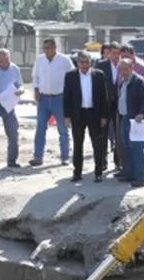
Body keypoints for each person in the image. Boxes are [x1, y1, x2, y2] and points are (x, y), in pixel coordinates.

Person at [63, 52, 109, 182]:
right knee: (78, 144)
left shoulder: (98, 75)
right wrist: (66, 116)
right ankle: (77, 173)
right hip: (78, 114)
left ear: (91, 62)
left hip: (94, 113)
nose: (84, 65)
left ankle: (98, 172)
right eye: (81, 62)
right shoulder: (70, 76)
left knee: (97, 144)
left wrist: (104, 116)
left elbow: (103, 97)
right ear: (77, 63)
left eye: (87, 62)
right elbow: (67, 97)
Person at [117, 44, 144, 173]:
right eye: (122, 56)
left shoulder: (140, 70)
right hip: (126, 112)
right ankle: (130, 170)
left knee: (143, 142)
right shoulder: (121, 69)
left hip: (138, 113)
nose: (124, 58)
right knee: (127, 143)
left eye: (127, 56)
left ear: (133, 55)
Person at [30, 38, 74, 167]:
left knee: (63, 129)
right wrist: (36, 90)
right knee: (40, 129)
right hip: (43, 99)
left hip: (59, 99)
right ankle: (38, 157)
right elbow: (35, 77)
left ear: (55, 47)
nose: (46, 50)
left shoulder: (64, 60)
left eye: (48, 48)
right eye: (44, 48)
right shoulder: (40, 59)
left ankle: (65, 157)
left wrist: (69, 95)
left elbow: (72, 77)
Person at [116, 58, 144, 187]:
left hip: (136, 120)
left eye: (126, 69)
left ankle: (142, 176)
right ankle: (131, 173)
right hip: (125, 118)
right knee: (127, 146)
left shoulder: (139, 81)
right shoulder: (123, 82)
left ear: (132, 68)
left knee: (137, 148)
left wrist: (142, 113)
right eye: (121, 69)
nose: (123, 72)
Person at [95, 42, 122, 171]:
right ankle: (102, 162)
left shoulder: (125, 65)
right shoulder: (101, 65)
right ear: (108, 53)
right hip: (104, 105)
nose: (116, 56)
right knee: (103, 134)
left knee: (118, 134)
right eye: (113, 53)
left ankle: (118, 161)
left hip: (119, 104)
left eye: (118, 53)